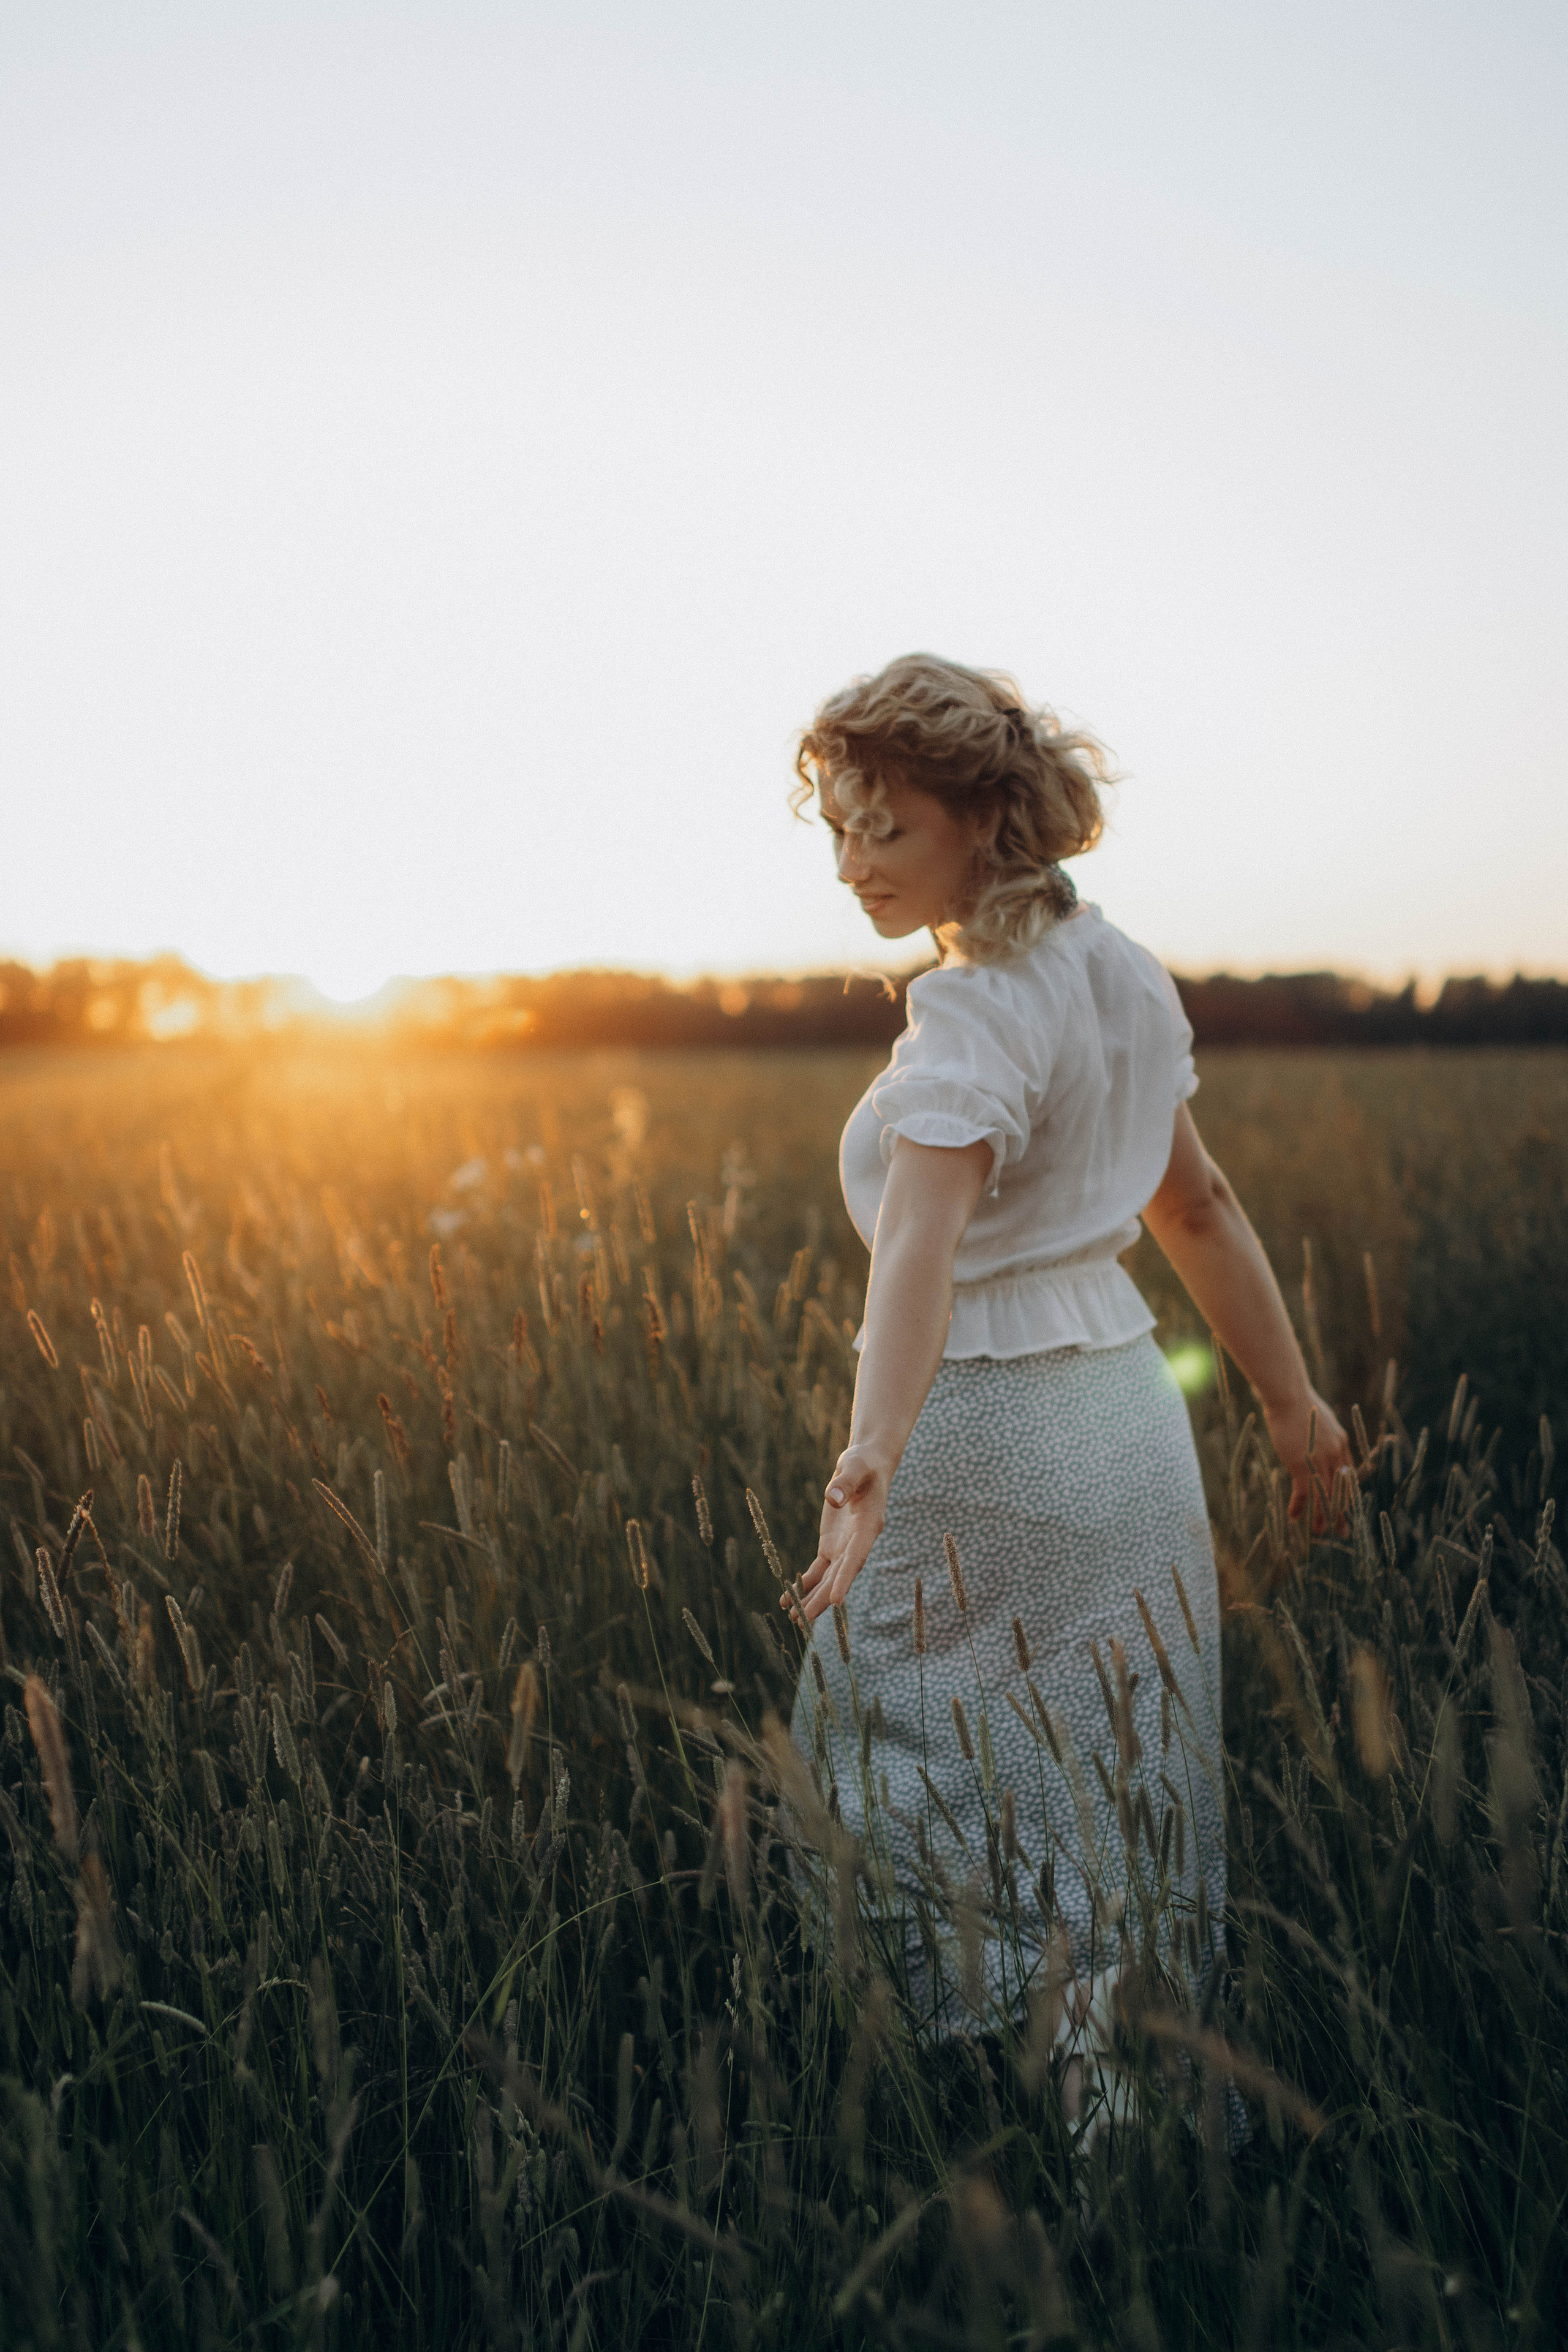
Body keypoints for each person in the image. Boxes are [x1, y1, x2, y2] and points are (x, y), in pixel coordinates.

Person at [785, 652, 1351, 2039]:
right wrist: (1290, 1406)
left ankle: (946, 2092)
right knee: (1114, 1782)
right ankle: (1117, 2122)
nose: (854, 863)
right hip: (1127, 1426)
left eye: (887, 827)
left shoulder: (971, 1007)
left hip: (978, 1431)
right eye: (839, 829)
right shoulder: (1124, 977)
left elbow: (920, 1240)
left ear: (982, 820)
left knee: (897, 1773)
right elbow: (1197, 1207)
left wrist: (871, 1445)